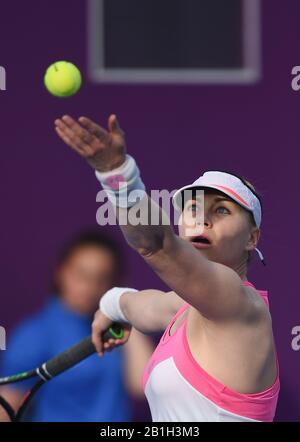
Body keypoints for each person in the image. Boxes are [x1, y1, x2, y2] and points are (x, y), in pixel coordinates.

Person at [54, 114, 280, 422]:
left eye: (222, 210)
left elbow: (156, 245)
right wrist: (111, 305)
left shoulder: (239, 303)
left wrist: (116, 174)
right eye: (193, 208)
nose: (202, 219)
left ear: (251, 238)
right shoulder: (181, 308)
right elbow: (140, 305)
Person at [0, 230, 154, 422]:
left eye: (101, 277)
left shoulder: (115, 328)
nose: (89, 286)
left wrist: (123, 305)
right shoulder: (33, 335)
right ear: (60, 272)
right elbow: (5, 410)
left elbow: (142, 385)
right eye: (81, 274)